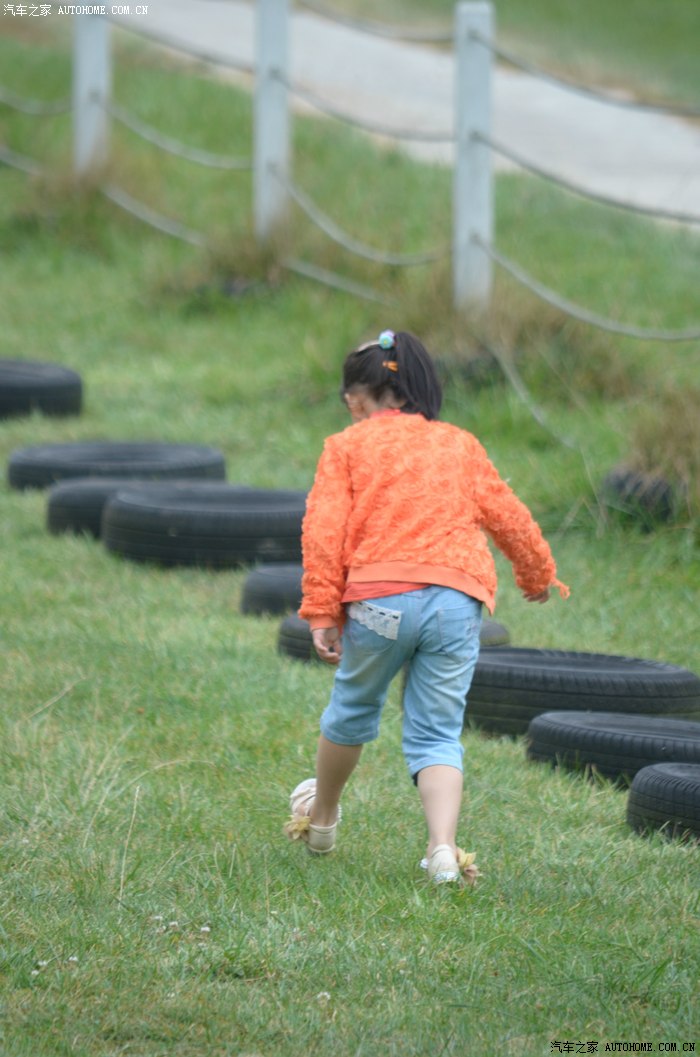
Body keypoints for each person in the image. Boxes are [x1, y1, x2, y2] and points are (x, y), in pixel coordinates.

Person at [284, 329, 569, 885]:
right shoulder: (459, 444)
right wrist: (538, 574)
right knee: (438, 731)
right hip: (457, 601)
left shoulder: (345, 447)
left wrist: (321, 610)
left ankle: (320, 820)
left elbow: (323, 532)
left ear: (356, 400)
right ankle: (444, 850)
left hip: (379, 600)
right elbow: (507, 514)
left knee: (352, 711)